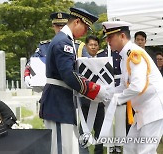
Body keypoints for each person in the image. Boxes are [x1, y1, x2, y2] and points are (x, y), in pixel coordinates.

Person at [39, 7, 112, 154]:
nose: (85, 33)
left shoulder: (65, 40)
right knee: (61, 148)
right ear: (77, 22)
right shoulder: (63, 43)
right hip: (58, 102)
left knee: (68, 147)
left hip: (61, 100)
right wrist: (97, 90)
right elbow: (69, 75)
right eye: (85, 28)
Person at [102, 21, 163, 154]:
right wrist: (103, 93)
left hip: (153, 108)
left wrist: (116, 99)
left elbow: (136, 87)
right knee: (130, 148)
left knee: (145, 150)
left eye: (110, 37)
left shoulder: (134, 54)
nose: (107, 41)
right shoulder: (125, 56)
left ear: (122, 36)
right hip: (143, 110)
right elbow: (124, 86)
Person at [24, 12, 89, 88]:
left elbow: (88, 65)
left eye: (63, 25)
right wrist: (26, 75)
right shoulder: (44, 46)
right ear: (53, 27)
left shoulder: (79, 46)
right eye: (57, 26)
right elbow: (32, 62)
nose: (60, 28)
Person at [79, 35, 104, 154]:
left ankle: (98, 151)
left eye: (95, 45)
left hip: (99, 102)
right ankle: (83, 151)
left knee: (100, 130)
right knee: (83, 130)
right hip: (85, 101)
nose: (93, 47)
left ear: (98, 47)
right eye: (91, 45)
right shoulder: (80, 62)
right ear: (86, 46)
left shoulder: (104, 61)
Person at [98, 48, 124, 153]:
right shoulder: (101, 54)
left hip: (119, 85)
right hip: (107, 86)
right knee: (107, 116)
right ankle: (109, 144)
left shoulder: (121, 53)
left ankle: (118, 144)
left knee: (120, 115)